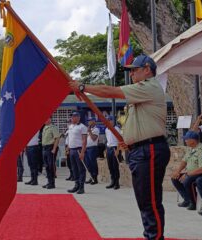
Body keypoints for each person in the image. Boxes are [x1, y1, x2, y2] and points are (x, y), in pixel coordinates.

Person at [70, 54, 170, 239]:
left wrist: (84, 87)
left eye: (134, 70)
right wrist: (129, 140)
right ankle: (151, 234)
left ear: (147, 69)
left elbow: (110, 91)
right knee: (144, 199)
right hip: (140, 149)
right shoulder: (141, 92)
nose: (131, 74)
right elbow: (139, 123)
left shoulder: (149, 86)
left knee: (150, 201)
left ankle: (155, 237)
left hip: (150, 149)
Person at [171, 131, 202, 210]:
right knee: (175, 178)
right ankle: (187, 199)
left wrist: (187, 174)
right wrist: (178, 171)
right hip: (192, 172)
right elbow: (184, 162)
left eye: (187, 139)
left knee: (188, 180)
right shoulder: (190, 149)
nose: (185, 141)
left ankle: (193, 203)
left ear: (193, 140)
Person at [66, 112, 87, 194]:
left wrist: (82, 152)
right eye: (72, 116)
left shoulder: (82, 127)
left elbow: (84, 140)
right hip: (72, 150)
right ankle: (76, 185)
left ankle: (81, 187)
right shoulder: (70, 126)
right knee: (74, 169)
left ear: (78, 117)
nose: (72, 118)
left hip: (78, 150)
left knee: (81, 169)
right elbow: (70, 138)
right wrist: (68, 148)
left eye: (74, 116)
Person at [41, 118, 61, 189]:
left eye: (46, 119)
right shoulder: (44, 128)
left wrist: (54, 149)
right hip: (44, 148)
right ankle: (49, 182)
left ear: (49, 119)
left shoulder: (53, 127)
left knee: (51, 166)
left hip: (51, 148)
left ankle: (52, 183)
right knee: (46, 166)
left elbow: (57, 138)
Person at [105, 116, 122, 190]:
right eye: (107, 120)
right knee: (110, 166)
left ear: (113, 121)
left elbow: (120, 139)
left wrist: (118, 150)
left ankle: (117, 183)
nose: (109, 121)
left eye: (110, 120)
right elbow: (108, 140)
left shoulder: (116, 128)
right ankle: (112, 181)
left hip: (115, 148)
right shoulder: (106, 129)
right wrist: (106, 149)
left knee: (115, 166)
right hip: (109, 148)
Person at [85, 117, 99, 185]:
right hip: (87, 148)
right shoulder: (88, 129)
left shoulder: (96, 129)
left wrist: (89, 131)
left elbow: (94, 138)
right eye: (88, 121)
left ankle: (95, 178)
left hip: (92, 148)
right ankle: (91, 177)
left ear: (94, 121)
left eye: (90, 121)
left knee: (93, 163)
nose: (89, 122)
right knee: (88, 164)